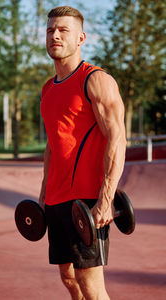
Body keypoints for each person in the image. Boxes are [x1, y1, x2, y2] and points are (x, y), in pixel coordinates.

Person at [39, 6, 126, 300]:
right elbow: (53, 143)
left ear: (81, 38)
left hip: (86, 201)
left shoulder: (96, 80)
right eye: (51, 30)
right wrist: (43, 195)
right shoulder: (48, 89)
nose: (55, 35)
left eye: (63, 30)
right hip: (56, 200)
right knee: (68, 277)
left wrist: (105, 199)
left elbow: (117, 138)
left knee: (92, 286)